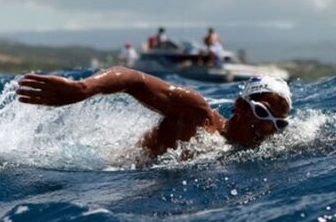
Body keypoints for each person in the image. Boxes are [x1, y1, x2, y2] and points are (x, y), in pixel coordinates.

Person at [16, 67, 292, 157]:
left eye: (279, 124)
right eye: (261, 112)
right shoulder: (195, 114)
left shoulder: (257, 152)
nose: (268, 129)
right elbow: (133, 79)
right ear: (239, 106)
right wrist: (84, 89)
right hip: (105, 172)